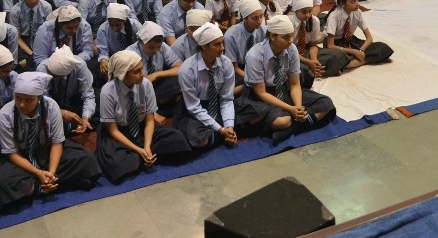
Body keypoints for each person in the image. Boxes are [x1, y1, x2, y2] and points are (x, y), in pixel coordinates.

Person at [0, 71, 100, 204]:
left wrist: (51, 172)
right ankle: (48, 185)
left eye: (28, 100)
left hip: (46, 149)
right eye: (18, 98)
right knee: (2, 180)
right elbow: (12, 153)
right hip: (20, 156)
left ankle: (43, 184)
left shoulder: (51, 106)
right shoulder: (5, 115)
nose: (22, 105)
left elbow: (57, 143)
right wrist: (38, 173)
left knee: (86, 159)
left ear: (39, 98)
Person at [95, 50, 191, 183]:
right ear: (123, 75)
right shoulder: (107, 91)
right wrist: (139, 150)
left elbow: (150, 121)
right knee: (116, 163)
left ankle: (142, 157)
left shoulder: (146, 84)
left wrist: (146, 146)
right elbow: (113, 130)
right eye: (137, 72)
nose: (143, 74)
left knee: (178, 139)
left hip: (141, 129)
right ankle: (144, 157)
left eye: (142, 69)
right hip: (119, 133)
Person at [243, 15, 335, 144]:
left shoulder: (291, 49)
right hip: (262, 96)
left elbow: (294, 84)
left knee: (326, 103)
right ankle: (295, 122)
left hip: (283, 88)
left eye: (291, 36)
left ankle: (291, 129)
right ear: (273, 36)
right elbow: (261, 92)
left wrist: (298, 108)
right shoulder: (255, 55)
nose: (291, 41)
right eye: (286, 37)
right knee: (282, 121)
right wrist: (291, 109)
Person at [174, 22, 264, 150]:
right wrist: (221, 129)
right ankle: (223, 134)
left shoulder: (225, 63)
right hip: (195, 110)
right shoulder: (187, 70)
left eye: (222, 43)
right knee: (197, 139)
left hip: (217, 104)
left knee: (260, 110)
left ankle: (226, 133)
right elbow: (194, 107)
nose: (222, 48)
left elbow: (226, 99)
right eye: (217, 44)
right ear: (204, 46)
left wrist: (229, 126)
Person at [324, 0, 394, 68]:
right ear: (343, 4)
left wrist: (360, 50)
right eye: (353, 1)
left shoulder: (358, 12)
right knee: (336, 57)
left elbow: (369, 38)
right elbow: (330, 46)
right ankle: (367, 59)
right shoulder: (334, 16)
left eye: (357, 0)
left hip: (349, 40)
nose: (357, 4)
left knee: (383, 46)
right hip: (336, 44)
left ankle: (358, 62)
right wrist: (354, 51)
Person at [289, 0, 350, 80]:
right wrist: (308, 62)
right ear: (295, 10)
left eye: (310, 11)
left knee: (339, 54)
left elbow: (313, 45)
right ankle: (317, 71)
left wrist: (314, 61)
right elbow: (289, 50)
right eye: (304, 12)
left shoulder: (314, 20)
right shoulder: (289, 23)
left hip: (306, 50)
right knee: (293, 65)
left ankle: (314, 70)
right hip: (291, 52)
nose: (307, 15)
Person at [37, 46, 96, 136]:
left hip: (74, 99)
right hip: (53, 102)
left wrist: (85, 118)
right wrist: (63, 113)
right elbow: (43, 101)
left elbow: (88, 95)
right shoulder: (42, 69)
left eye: (55, 76)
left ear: (67, 73)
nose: (50, 76)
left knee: (97, 110)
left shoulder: (80, 65)